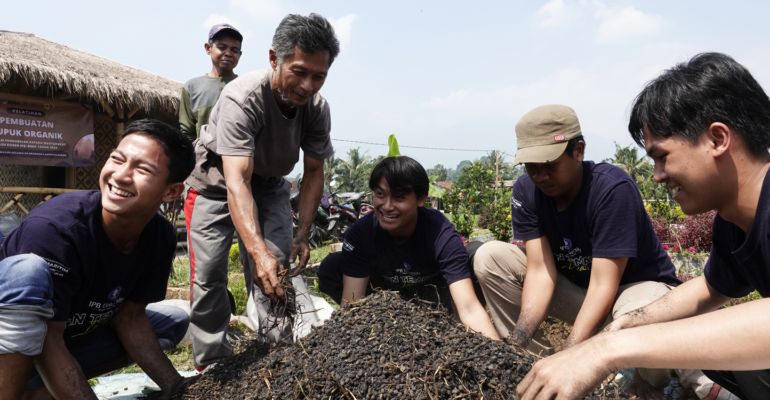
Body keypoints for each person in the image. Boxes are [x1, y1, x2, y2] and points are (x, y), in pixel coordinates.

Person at [516, 53, 770, 400]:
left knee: (754, 366)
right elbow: (709, 287)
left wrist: (608, 350)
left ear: (717, 139)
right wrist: (626, 324)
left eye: (662, 156)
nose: (658, 176)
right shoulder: (733, 222)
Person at [473, 104, 681, 393]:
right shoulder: (527, 191)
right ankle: (533, 369)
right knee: (491, 257)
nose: (540, 176)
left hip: (637, 295)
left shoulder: (611, 189)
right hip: (582, 297)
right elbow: (540, 271)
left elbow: (603, 285)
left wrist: (572, 354)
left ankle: (651, 385)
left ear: (578, 151)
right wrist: (517, 340)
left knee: (638, 316)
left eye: (549, 164)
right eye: (531, 167)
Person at [184, 13, 339, 371]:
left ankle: (275, 354)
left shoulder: (316, 109)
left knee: (276, 266)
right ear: (274, 59)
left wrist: (302, 233)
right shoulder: (244, 97)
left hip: (269, 184)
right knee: (209, 274)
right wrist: (256, 251)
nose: (308, 85)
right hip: (216, 183)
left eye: (319, 76)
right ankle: (211, 364)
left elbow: (314, 172)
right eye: (299, 72)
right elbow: (236, 180)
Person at [0, 119, 196, 400]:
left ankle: (39, 388)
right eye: (117, 159)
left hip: (63, 337)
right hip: (18, 340)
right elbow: (46, 338)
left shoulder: (160, 236)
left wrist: (178, 389)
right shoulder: (55, 230)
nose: (120, 176)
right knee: (26, 272)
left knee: (173, 322)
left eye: (141, 169)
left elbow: (129, 317)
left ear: (171, 191)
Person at [317, 156, 500, 340]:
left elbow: (469, 309)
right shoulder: (361, 233)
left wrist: (499, 355)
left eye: (399, 198)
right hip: (384, 303)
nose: (387, 206)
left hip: (436, 299)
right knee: (331, 265)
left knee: (475, 254)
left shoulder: (440, 233)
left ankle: (453, 326)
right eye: (380, 195)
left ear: (421, 199)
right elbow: (352, 305)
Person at [179, 23, 243, 142]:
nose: (228, 53)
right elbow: (187, 132)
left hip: (240, 158)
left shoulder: (247, 87)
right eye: (222, 47)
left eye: (234, 50)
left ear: (240, 55)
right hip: (203, 159)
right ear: (208, 48)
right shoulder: (191, 87)